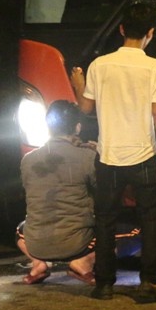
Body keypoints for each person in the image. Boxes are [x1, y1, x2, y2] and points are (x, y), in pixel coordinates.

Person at [71, 2, 156, 303]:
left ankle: (104, 284)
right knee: (151, 220)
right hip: (143, 154)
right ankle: (149, 284)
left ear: (121, 30)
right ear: (150, 33)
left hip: (107, 155)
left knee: (105, 219)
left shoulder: (99, 65)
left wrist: (78, 84)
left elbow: (85, 109)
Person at [15, 100, 98, 285]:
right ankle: (82, 263)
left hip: (37, 244)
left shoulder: (28, 160)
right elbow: (104, 191)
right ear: (77, 128)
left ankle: (38, 264)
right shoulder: (88, 156)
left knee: (21, 230)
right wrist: (98, 152)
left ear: (48, 127)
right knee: (132, 232)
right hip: (76, 244)